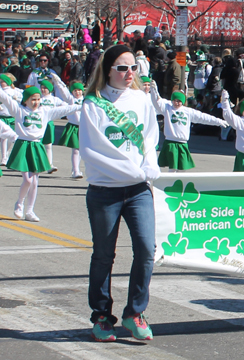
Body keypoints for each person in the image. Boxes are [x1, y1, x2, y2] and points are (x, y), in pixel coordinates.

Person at [79, 44, 161, 341]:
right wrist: (134, 171)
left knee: (145, 249)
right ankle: (101, 315)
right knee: (103, 255)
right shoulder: (93, 104)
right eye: (122, 68)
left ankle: (135, 312)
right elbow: (92, 149)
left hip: (138, 190)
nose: (129, 73)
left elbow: (150, 137)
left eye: (133, 68)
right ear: (108, 70)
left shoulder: (141, 99)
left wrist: (149, 166)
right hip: (105, 191)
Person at [0, 84, 80, 222]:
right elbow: (5, 98)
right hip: (23, 145)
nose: (36, 102)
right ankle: (19, 203)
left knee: (35, 182)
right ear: (25, 100)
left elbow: (65, 109)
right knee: (28, 179)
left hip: (37, 145)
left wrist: (82, 106)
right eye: (32, 99)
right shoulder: (18, 110)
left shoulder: (45, 112)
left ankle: (30, 210)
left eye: (38, 99)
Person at [150, 83, 229, 172]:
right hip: (170, 143)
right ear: (172, 100)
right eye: (175, 100)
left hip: (183, 143)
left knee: (182, 169)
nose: (177, 103)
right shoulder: (167, 109)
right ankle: (170, 184)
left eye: (179, 101)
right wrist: (154, 90)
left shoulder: (188, 112)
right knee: (172, 168)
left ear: (183, 102)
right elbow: (157, 101)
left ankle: (181, 185)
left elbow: (203, 117)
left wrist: (218, 121)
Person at [52, 74, 85, 178]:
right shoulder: (71, 99)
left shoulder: (87, 99)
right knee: (75, 150)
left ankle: (77, 169)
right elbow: (63, 90)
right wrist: (58, 81)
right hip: (74, 126)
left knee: (81, 150)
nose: (77, 92)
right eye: (75, 90)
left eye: (79, 90)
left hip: (84, 127)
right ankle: (76, 171)